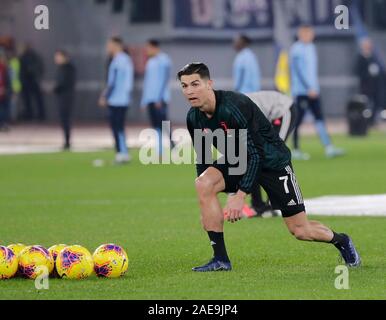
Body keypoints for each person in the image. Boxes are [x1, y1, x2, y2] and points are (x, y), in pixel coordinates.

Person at [178, 62, 361, 272]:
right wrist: (205, 200)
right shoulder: (194, 117)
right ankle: (220, 260)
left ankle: (342, 241)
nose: (190, 91)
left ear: (209, 84)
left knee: (301, 230)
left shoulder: (234, 106)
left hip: (272, 162)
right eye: (184, 86)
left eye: (195, 84)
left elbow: (256, 155)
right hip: (240, 159)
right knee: (203, 183)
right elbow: (203, 160)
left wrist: (239, 195)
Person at [289, 25, 344, 160]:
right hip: (302, 91)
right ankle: (295, 149)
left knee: (319, 118)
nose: (310, 36)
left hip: (314, 90)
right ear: (302, 34)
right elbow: (298, 72)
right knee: (298, 120)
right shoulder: (296, 49)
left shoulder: (311, 48)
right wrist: (309, 88)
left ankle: (329, 147)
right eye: (308, 34)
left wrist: (314, 88)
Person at [244, 91, 297, 217]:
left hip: (283, 110)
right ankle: (258, 205)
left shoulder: (240, 109)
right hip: (267, 117)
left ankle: (273, 204)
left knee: (275, 153)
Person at [99, 37, 133, 164]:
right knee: (120, 127)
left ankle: (121, 153)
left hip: (116, 99)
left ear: (116, 45)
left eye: (109, 44)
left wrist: (105, 96)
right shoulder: (126, 59)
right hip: (123, 99)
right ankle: (123, 152)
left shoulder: (118, 60)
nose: (108, 47)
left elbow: (112, 82)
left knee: (116, 126)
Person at [140, 39, 174, 156]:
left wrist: (159, 98)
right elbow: (147, 82)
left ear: (154, 47)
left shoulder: (164, 60)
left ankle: (172, 144)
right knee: (155, 124)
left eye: (148, 48)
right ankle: (159, 149)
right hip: (150, 98)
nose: (147, 51)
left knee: (164, 123)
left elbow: (165, 79)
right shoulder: (150, 62)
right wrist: (144, 100)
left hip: (160, 99)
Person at [357, 38, 386, 126]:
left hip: (375, 86)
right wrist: (368, 73)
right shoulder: (360, 57)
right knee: (366, 104)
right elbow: (358, 71)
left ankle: (372, 121)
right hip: (365, 86)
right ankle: (365, 121)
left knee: (376, 103)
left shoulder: (374, 57)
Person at [53, 50, 76, 150]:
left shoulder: (69, 68)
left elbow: (65, 83)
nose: (56, 59)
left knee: (65, 119)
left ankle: (67, 141)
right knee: (63, 119)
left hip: (66, 97)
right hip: (62, 96)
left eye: (58, 56)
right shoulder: (61, 68)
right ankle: (66, 141)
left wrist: (56, 88)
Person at [19, 44, 46, 121]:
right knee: (33, 100)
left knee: (30, 100)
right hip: (31, 81)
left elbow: (22, 71)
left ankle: (33, 114)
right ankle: (37, 115)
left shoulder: (24, 57)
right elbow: (40, 68)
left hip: (30, 81)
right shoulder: (33, 57)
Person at [0, 49, 11, 131]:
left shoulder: (4, 67)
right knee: (3, 109)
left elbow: (6, 80)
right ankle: (3, 124)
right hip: (3, 91)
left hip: (4, 91)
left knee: (4, 108)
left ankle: (3, 124)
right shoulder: (3, 67)